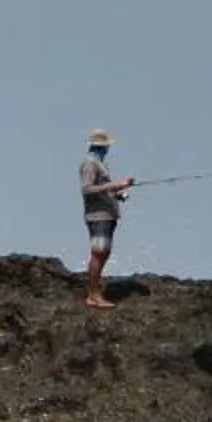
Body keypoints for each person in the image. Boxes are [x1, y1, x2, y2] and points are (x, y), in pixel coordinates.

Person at [79, 129, 134, 309]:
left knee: (104, 252)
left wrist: (119, 194)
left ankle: (95, 292)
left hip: (108, 214)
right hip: (97, 216)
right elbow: (87, 189)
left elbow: (103, 188)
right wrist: (115, 184)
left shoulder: (101, 163)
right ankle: (93, 295)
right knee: (99, 252)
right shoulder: (89, 163)